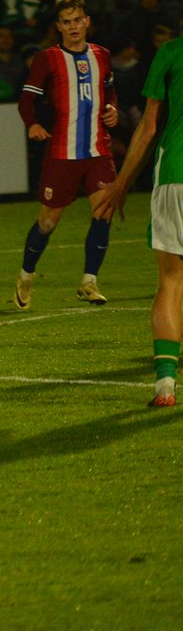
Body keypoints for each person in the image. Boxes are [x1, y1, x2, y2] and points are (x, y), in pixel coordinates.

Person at [13, 0, 120, 310]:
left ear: (87, 22)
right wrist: (32, 123)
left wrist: (112, 108)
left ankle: (89, 282)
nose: (73, 27)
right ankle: (26, 274)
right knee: (48, 222)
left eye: (77, 20)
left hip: (99, 151)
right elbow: (26, 99)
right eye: (66, 22)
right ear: (58, 27)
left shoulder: (102, 55)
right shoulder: (48, 58)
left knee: (104, 211)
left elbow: (109, 91)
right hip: (62, 153)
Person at [94, 33, 183, 406]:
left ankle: (165, 384)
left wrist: (121, 185)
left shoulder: (170, 53)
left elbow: (148, 128)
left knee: (171, 282)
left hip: (175, 175)